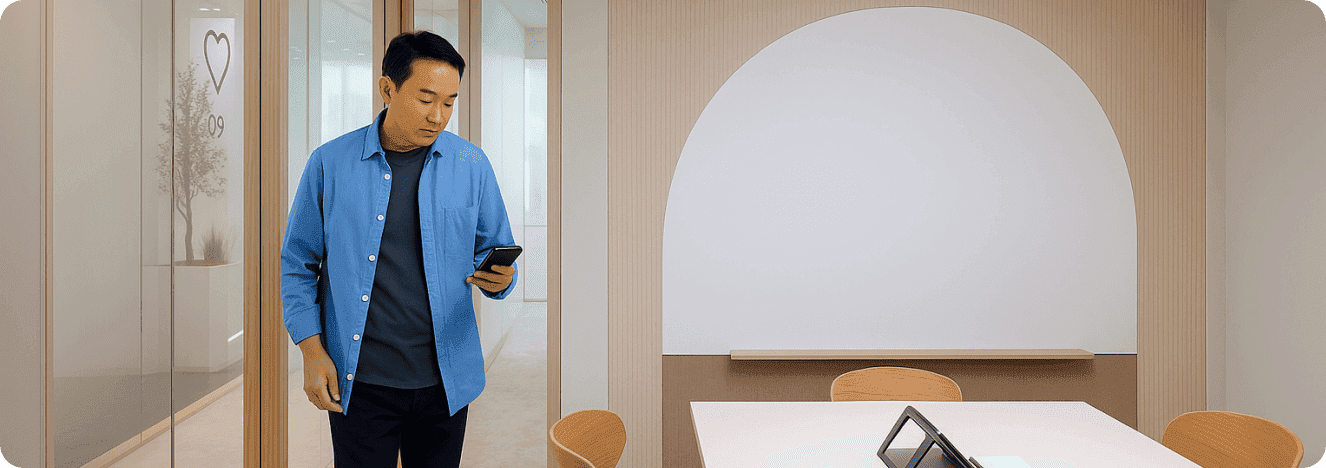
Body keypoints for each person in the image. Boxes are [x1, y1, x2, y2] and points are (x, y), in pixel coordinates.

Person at [280, 30, 518, 468]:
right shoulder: (329, 164)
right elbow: (297, 264)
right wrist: (311, 352)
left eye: (449, 102)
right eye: (426, 99)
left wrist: (502, 279)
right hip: (360, 382)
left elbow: (496, 250)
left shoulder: (472, 165)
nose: (439, 116)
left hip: (445, 383)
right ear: (387, 88)